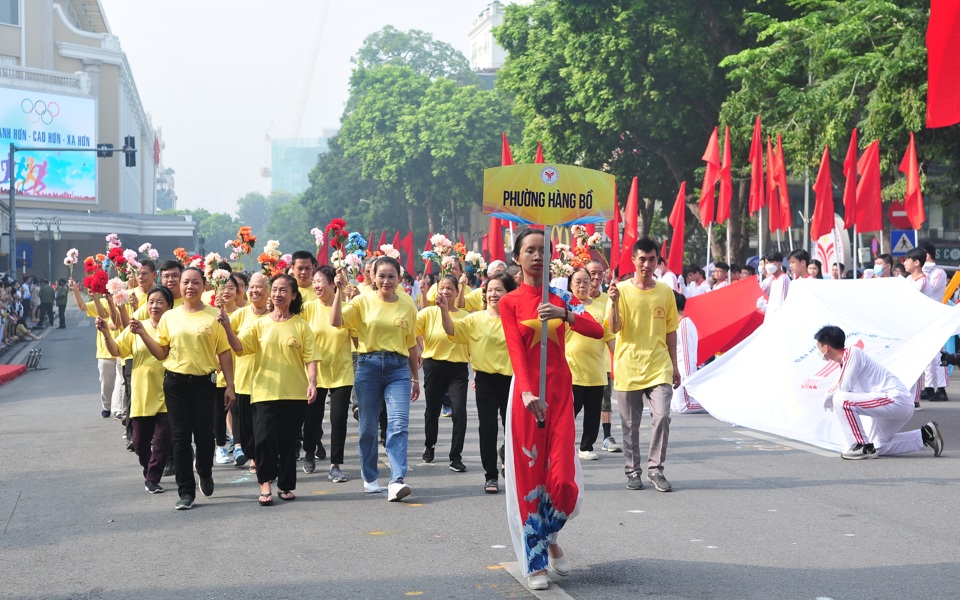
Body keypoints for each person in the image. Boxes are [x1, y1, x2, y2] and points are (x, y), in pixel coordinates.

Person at [499, 228, 604, 591]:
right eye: (530, 250)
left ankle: (552, 533)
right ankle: (536, 560)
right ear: (518, 258)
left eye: (543, 250)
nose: (537, 256)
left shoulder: (560, 296)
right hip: (528, 398)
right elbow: (516, 350)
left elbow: (597, 329)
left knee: (562, 480)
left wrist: (564, 314)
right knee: (531, 480)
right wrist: (527, 393)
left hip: (560, 394)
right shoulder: (509, 302)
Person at [133, 266, 235, 511]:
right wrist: (144, 335)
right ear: (180, 286)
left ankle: (205, 471)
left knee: (203, 436)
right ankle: (186, 491)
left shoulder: (214, 315)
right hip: (175, 383)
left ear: (203, 286)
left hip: (204, 383)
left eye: (195, 282)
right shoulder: (170, 317)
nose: (190, 286)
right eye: (186, 282)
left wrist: (230, 385)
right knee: (179, 438)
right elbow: (162, 353)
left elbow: (224, 352)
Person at [222, 273, 317, 505]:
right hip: (264, 392)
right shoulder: (259, 324)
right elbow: (240, 347)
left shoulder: (302, 326)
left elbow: (311, 358)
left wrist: (312, 382)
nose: (277, 294)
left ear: (293, 295)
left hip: (294, 393)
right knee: (264, 440)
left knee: (288, 441)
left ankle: (285, 485)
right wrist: (226, 325)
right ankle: (265, 483)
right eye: (274, 289)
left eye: (283, 290)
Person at [331, 256, 420, 502]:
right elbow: (336, 321)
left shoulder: (408, 303)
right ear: (372, 277)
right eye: (381, 275)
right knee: (368, 428)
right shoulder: (362, 301)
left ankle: (397, 480)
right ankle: (370, 477)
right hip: (368, 366)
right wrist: (338, 292)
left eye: (392, 276)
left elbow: (411, 344)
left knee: (398, 424)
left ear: (400, 279)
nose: (386, 281)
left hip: (398, 368)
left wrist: (415, 378)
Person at [608, 238, 680, 495]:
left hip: (658, 365)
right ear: (633, 261)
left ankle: (655, 470)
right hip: (628, 365)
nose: (647, 264)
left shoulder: (665, 292)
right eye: (642, 259)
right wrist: (614, 302)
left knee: (662, 416)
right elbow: (614, 328)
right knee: (629, 425)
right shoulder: (621, 290)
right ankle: (632, 471)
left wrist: (674, 365)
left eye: (652, 259)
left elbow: (671, 331)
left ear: (657, 261)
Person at [815, 325, 943, 459]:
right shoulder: (845, 363)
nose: (818, 351)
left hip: (896, 399)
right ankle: (925, 435)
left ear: (826, 348)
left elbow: (844, 388)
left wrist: (829, 395)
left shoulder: (853, 353)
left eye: (818, 347)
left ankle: (860, 446)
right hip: (888, 404)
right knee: (878, 446)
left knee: (841, 399)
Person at [440, 272, 517, 493]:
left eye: (498, 290)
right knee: (488, 428)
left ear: (509, 293)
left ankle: (508, 461)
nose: (493, 294)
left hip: (513, 381)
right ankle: (491, 476)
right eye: (490, 290)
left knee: (513, 430)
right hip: (485, 381)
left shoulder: (517, 319)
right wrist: (444, 311)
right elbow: (451, 330)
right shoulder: (475, 319)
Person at [97, 286, 174, 493]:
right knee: (140, 443)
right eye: (151, 302)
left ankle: (152, 478)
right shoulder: (136, 327)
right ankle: (150, 470)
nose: (154, 306)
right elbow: (117, 350)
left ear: (169, 306)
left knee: (161, 441)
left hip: (169, 391)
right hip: (142, 392)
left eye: (160, 302)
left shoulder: (174, 327)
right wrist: (106, 333)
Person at [300, 266, 355, 482]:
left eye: (321, 281)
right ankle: (309, 453)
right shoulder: (308, 308)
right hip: (315, 373)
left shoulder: (348, 308)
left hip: (341, 371)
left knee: (338, 419)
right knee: (312, 419)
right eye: (314, 281)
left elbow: (358, 338)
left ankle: (336, 464)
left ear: (334, 283)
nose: (316, 285)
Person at [416, 274, 470, 472]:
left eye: (450, 288)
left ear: (457, 292)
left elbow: (472, 342)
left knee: (459, 411)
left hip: (458, 369)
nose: (446, 291)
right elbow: (414, 333)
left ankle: (455, 456)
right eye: (443, 288)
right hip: (434, 365)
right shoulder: (428, 313)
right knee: (432, 409)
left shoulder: (465, 316)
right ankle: (429, 445)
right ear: (437, 291)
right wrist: (422, 350)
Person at [564, 268, 616, 461]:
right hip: (571, 370)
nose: (582, 285)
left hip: (596, 370)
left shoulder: (601, 308)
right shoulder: (565, 307)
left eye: (586, 281)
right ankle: (564, 445)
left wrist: (618, 358)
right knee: (569, 413)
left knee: (593, 414)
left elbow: (609, 336)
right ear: (570, 285)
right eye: (577, 281)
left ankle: (586, 447)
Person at [228, 272, 270, 469]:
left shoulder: (276, 315)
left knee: (265, 426)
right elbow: (226, 344)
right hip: (244, 380)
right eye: (252, 286)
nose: (255, 290)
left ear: (268, 290)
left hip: (269, 381)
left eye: (260, 286)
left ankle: (262, 459)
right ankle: (252, 453)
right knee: (246, 429)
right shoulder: (239, 315)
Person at [586, 260, 620, 453]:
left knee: (604, 400)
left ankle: (606, 437)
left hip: (603, 360)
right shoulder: (574, 300)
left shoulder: (609, 299)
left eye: (600, 273)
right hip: (577, 363)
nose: (597, 278)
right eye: (592, 273)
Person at [70, 278, 118, 418]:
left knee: (122, 382)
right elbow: (83, 307)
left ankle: (119, 408)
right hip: (105, 351)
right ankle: (107, 406)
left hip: (123, 349)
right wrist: (75, 291)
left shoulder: (123, 302)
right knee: (106, 382)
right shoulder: (101, 303)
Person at [213, 274, 243, 465]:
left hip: (239, 368)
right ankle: (221, 447)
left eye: (231, 287)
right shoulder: (211, 314)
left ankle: (239, 444)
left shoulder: (243, 313)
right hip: (218, 369)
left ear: (238, 292)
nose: (227, 291)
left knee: (238, 409)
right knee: (219, 410)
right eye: (223, 287)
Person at [919, 243, 948, 400]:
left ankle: (942, 389)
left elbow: (928, 289)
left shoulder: (938, 272)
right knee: (928, 356)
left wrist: (923, 271)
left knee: (939, 355)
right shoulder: (923, 272)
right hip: (925, 318)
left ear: (927, 256)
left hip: (937, 317)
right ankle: (929, 387)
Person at [670, 292, 704, 414]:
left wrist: (688, 380)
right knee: (674, 406)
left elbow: (686, 356)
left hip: (683, 373)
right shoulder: (677, 324)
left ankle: (714, 405)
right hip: (677, 373)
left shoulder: (684, 324)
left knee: (684, 407)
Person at [758, 251, 789, 318]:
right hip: (771, 316)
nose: (768, 265)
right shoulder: (773, 279)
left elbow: (781, 303)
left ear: (779, 264)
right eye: (767, 263)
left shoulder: (783, 279)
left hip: (778, 319)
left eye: (771, 262)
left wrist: (766, 307)